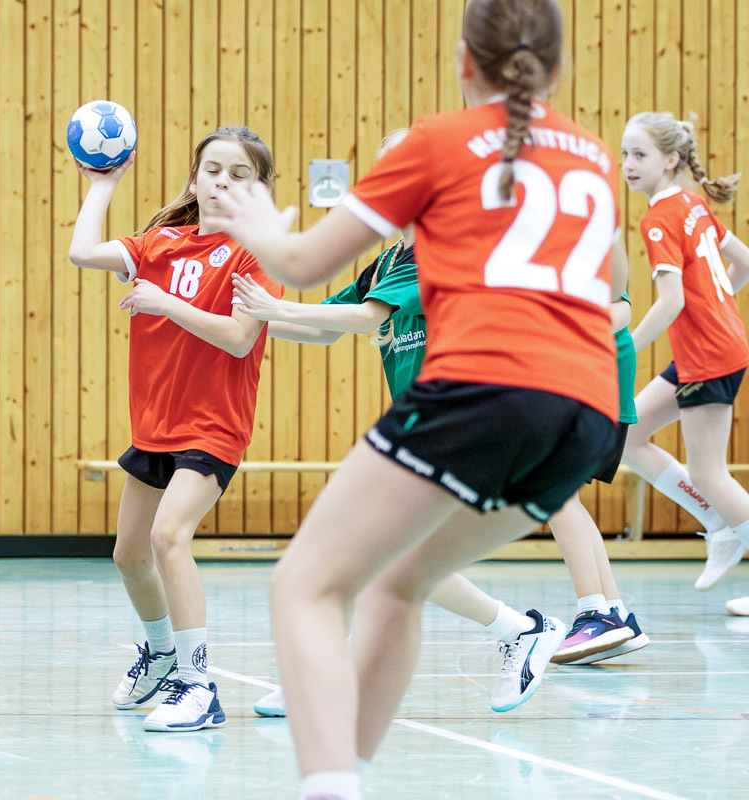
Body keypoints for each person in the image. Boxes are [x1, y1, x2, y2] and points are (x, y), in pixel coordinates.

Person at [206, 2, 624, 798]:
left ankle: (327, 782)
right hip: (588, 411)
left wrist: (254, 222)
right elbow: (609, 286)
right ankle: (350, 773)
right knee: (398, 580)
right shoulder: (595, 158)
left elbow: (301, 264)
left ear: (464, 60)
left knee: (304, 585)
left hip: (484, 390)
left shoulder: (437, 142)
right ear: (557, 68)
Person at [235, 131, 566, 715]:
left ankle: (516, 632)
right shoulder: (389, 258)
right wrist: (240, 326)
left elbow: (366, 319)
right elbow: (328, 324)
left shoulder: (445, 246)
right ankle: (520, 631)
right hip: (421, 424)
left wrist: (274, 307)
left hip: (464, 418)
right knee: (383, 557)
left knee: (369, 552)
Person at [67, 127, 283, 732]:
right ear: (194, 180)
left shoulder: (254, 255)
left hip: (213, 427)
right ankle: (162, 653)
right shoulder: (161, 243)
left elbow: (239, 338)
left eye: (239, 174)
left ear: (259, 190)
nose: (222, 182)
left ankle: (199, 686)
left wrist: (166, 304)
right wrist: (102, 185)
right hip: (155, 426)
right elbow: (82, 252)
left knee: (168, 537)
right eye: (212, 170)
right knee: (130, 555)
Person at [619, 111, 749, 593]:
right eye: (625, 154)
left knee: (708, 472)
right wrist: (713, 307)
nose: (628, 164)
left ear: (671, 159)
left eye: (640, 154)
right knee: (628, 436)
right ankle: (719, 525)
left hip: (710, 356)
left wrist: (625, 348)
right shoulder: (692, 204)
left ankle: (725, 525)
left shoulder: (659, 219)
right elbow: (744, 264)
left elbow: (671, 301)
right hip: (711, 349)